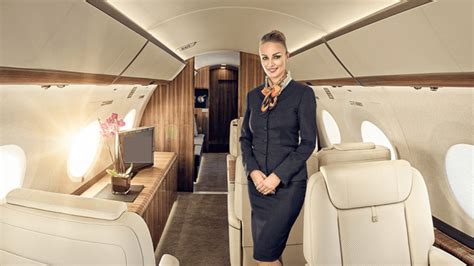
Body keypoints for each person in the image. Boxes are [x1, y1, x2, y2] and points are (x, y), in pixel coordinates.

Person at [239, 30, 317, 266]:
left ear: (287, 56)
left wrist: (275, 178)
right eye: (265, 58)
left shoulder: (303, 94)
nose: (270, 64)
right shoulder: (253, 96)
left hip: (288, 186)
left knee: (265, 256)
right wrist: (253, 172)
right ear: (260, 59)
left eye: (276, 56)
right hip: (257, 187)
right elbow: (245, 138)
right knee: (267, 254)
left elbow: (308, 144)